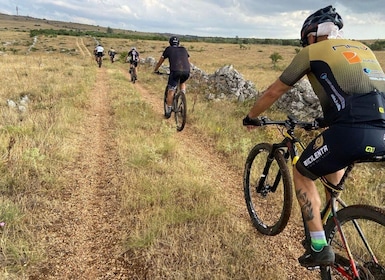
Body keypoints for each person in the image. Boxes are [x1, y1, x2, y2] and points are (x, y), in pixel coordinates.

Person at [243, 5, 385, 268]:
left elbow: (275, 91)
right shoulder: (364, 49)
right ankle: (332, 223)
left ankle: (319, 248)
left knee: (301, 172)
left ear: (310, 35)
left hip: (351, 132)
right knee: (333, 175)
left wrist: (251, 116)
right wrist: (327, 120)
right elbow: (357, 95)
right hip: (381, 131)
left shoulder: (311, 52)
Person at [154, 36, 191, 118]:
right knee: (182, 81)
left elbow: (161, 61)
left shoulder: (168, 49)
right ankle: (182, 95)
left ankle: (168, 110)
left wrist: (156, 69)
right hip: (186, 71)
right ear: (178, 43)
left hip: (175, 71)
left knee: (171, 90)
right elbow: (188, 61)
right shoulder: (184, 49)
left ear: (170, 43)